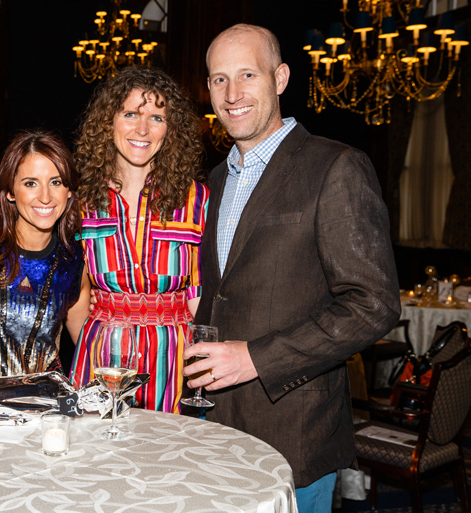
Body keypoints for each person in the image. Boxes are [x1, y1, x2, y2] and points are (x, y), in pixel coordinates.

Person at [182, 24, 401, 511]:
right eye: (219, 80)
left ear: (280, 78)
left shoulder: (336, 166)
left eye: (246, 75)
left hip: (293, 431)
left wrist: (256, 358)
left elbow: (374, 304)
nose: (232, 94)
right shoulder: (215, 179)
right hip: (210, 423)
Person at [69, 66, 209, 414]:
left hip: (174, 364)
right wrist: (95, 349)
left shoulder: (197, 200)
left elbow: (199, 298)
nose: (142, 129)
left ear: (171, 129)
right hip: (100, 360)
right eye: (130, 114)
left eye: (157, 117)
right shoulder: (80, 201)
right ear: (108, 121)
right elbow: (74, 295)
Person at [0, 129, 90, 376]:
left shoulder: (73, 262)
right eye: (30, 183)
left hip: (46, 409)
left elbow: (90, 349)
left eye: (56, 182)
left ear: (69, 191)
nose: (45, 197)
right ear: (10, 191)